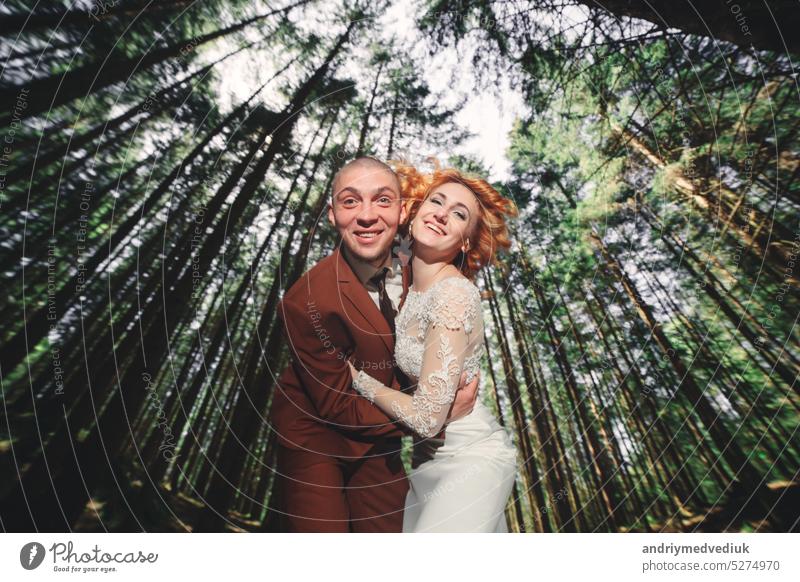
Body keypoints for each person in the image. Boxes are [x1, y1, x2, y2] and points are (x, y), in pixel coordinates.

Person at [268, 156, 480, 532]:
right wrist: (436, 416)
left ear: (402, 212)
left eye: (382, 200)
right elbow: (336, 405)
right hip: (314, 435)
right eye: (350, 202)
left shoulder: (423, 264)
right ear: (332, 215)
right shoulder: (306, 303)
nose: (367, 216)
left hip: (380, 441)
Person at [347, 160, 519, 532]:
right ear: (415, 213)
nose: (441, 215)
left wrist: (358, 380)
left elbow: (427, 417)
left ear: (466, 240)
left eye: (458, 214)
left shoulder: (453, 293)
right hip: (427, 463)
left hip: (471, 459)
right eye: (436, 202)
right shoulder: (404, 290)